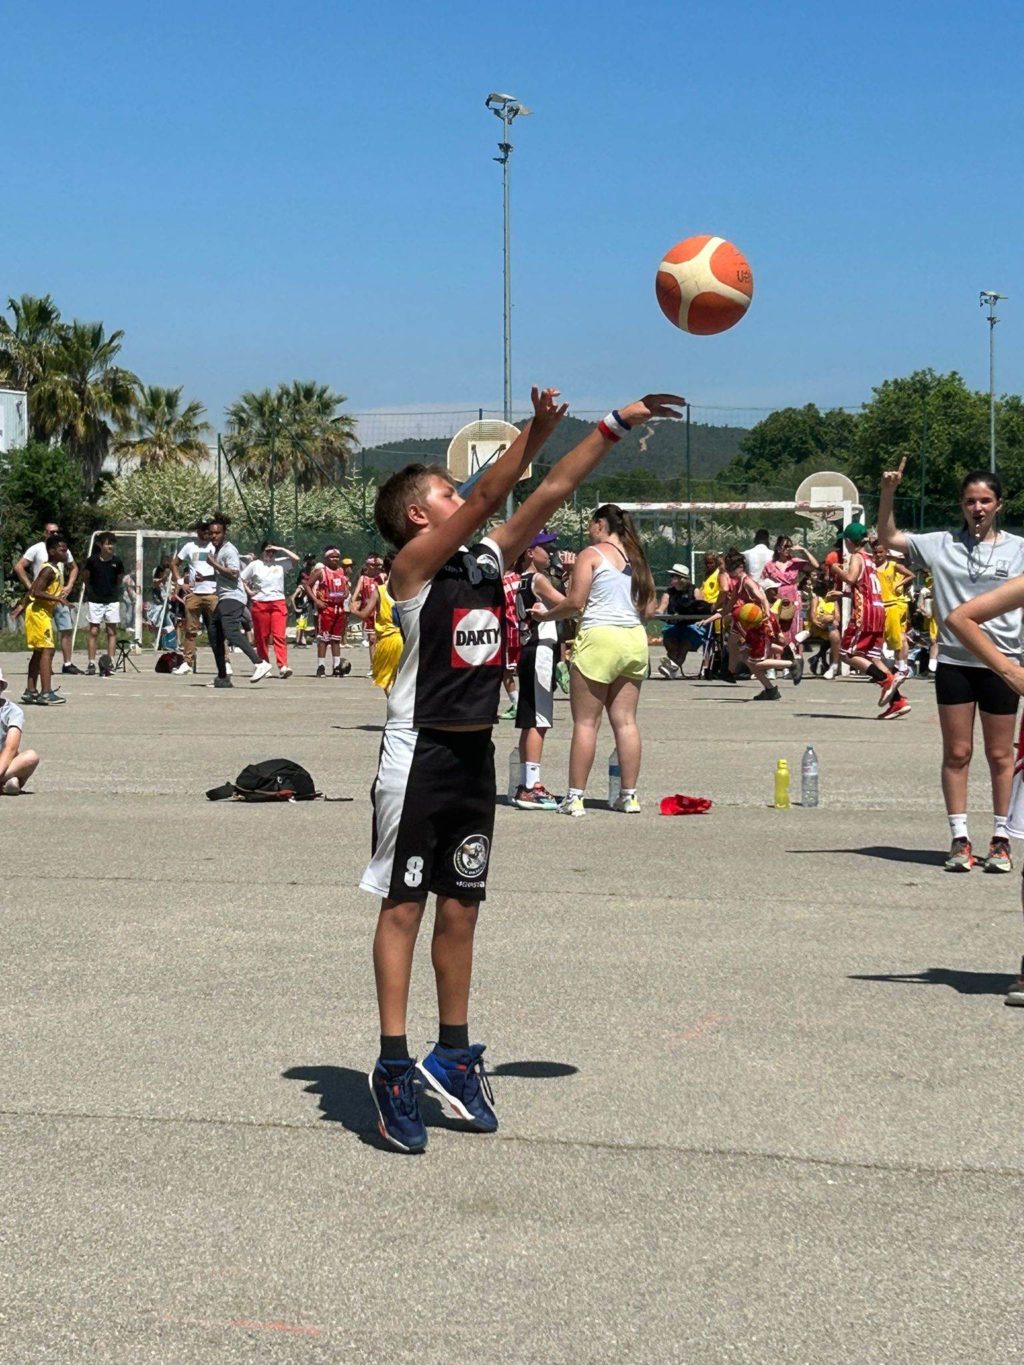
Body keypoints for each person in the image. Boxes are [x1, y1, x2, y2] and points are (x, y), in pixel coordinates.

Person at [361, 389, 682, 1152]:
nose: (463, 495)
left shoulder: (485, 558)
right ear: (418, 515)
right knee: (404, 907)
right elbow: (491, 495)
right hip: (418, 756)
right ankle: (393, 1063)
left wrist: (613, 425)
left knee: (462, 909)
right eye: (447, 492)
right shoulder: (411, 569)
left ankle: (453, 1052)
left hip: (473, 758)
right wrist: (534, 430)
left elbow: (553, 489)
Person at [880, 466, 1024, 872]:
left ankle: (1001, 839)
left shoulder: (1018, 548)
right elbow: (889, 538)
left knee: (1000, 754)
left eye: (985, 501)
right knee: (958, 752)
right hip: (956, 663)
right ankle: (959, 838)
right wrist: (888, 493)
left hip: (1003, 663)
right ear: (961, 505)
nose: (978, 508)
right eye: (970, 501)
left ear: (998, 505)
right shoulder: (941, 544)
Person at [531, 502, 657, 815]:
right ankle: (629, 796)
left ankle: (575, 798)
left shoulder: (591, 554)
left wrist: (545, 615)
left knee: (586, 723)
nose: (589, 531)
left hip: (600, 637)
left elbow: (575, 603)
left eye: (591, 525)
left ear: (601, 524)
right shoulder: (638, 558)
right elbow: (650, 609)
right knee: (626, 721)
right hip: (633, 639)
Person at [831, 521, 909, 721]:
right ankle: (898, 702)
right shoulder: (871, 559)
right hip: (878, 609)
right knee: (873, 657)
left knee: (847, 654)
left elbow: (851, 578)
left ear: (849, 541)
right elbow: (864, 587)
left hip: (864, 613)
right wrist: (844, 594)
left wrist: (835, 569)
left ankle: (885, 680)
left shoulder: (857, 557)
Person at [512, 530, 565, 809]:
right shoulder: (538, 579)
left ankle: (527, 782)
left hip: (529, 648)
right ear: (531, 552)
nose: (551, 552)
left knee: (531, 718)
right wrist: (573, 574)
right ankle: (531, 787)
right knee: (538, 720)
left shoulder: (519, 579)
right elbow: (568, 604)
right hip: (540, 648)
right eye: (546, 548)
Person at [204, 514, 272, 689]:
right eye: (211, 533)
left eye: (217, 533)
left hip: (233, 597)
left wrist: (213, 564)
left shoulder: (229, 550)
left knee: (231, 631)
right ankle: (223, 677)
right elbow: (223, 575)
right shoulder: (217, 550)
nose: (214, 536)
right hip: (224, 597)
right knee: (214, 634)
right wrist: (205, 577)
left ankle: (260, 663)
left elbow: (234, 573)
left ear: (224, 533)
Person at [13, 523, 81, 680]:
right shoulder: (45, 563)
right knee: (45, 650)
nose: (55, 534)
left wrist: (69, 586)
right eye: (52, 532)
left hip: (53, 600)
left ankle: (65, 664)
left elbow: (74, 567)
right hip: (41, 606)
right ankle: (44, 686)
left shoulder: (56, 563)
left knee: (61, 633)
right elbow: (35, 588)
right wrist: (29, 593)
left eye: (57, 531)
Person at [720, 550, 785, 700]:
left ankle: (791, 664)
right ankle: (769, 689)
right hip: (754, 622)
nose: (728, 571)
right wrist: (712, 617)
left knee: (753, 660)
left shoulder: (747, 582)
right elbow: (729, 607)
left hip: (760, 622)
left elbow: (762, 598)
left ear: (740, 567)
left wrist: (766, 614)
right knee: (747, 653)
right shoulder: (740, 583)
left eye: (730, 568)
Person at [761, 535, 818, 677]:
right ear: (778, 548)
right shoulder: (770, 565)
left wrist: (803, 551)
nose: (788, 549)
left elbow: (815, 566)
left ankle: (791, 664)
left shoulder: (795, 563)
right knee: (775, 631)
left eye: (790, 546)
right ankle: (774, 665)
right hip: (776, 597)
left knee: (793, 632)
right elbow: (764, 583)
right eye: (785, 546)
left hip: (792, 597)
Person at [241, 542, 300, 679]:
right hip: (260, 602)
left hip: (278, 602)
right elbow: (241, 578)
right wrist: (249, 592)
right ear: (262, 552)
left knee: (279, 635)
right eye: (268, 551)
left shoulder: (280, 563)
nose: (271, 554)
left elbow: (296, 559)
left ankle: (283, 665)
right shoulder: (255, 565)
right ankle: (264, 664)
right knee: (262, 636)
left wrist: (281, 548)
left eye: (273, 552)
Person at [23, 535, 70, 705]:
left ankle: (30, 691)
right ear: (51, 551)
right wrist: (57, 598)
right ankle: (46, 692)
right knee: (47, 651)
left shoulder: (53, 569)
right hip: (38, 613)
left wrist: (22, 605)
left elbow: (32, 590)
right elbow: (36, 591)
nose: (65, 553)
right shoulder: (49, 570)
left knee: (39, 652)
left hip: (40, 612)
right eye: (62, 550)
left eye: (66, 550)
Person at [172, 521, 218, 674]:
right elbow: (174, 563)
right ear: (198, 531)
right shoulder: (189, 546)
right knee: (190, 630)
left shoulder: (215, 546)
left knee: (217, 629)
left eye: (208, 531)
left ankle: (225, 662)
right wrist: (181, 582)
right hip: (194, 594)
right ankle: (187, 662)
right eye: (203, 530)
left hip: (212, 593)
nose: (207, 533)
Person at [81, 532, 125, 674]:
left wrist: (112, 591)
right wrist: (91, 592)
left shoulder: (117, 562)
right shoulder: (92, 561)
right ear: (100, 545)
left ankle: (110, 661)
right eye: (107, 543)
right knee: (94, 631)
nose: (110, 546)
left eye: (112, 543)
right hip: (95, 600)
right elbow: (86, 577)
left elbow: (119, 579)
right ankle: (91, 662)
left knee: (111, 631)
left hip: (111, 599)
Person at [656, 563, 707, 679]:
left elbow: (702, 607)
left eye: (673, 576)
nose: (671, 579)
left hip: (691, 626)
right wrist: (657, 612)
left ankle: (672, 667)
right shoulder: (669, 592)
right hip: (673, 625)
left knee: (685, 644)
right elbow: (662, 607)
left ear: (681, 578)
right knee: (670, 642)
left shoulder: (694, 590)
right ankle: (673, 667)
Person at [308, 547, 352, 678]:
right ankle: (321, 666)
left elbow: (346, 584)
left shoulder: (341, 571)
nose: (335, 559)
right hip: (326, 608)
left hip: (339, 608)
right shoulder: (321, 571)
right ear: (326, 558)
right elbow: (307, 585)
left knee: (336, 639)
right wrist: (316, 600)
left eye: (337, 557)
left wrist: (346, 591)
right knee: (323, 639)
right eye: (332, 557)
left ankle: (336, 666)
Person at [874, 542, 914, 678]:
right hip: (880, 604)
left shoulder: (894, 565)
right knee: (886, 637)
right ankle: (894, 667)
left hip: (895, 604)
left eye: (881, 552)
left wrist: (898, 584)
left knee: (898, 637)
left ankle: (901, 666)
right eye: (876, 552)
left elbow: (910, 576)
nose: (878, 555)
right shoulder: (873, 567)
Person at [0, 668, 39, 794]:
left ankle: (4, 780)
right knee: (12, 782)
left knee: (31, 757)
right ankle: (6, 784)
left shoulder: (13, 711)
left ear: (1, 687)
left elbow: (10, 748)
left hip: (3, 761)